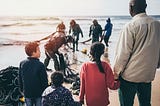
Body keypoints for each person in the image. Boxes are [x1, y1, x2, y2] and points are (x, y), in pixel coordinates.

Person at [113, 0, 160, 106]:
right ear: (146, 6)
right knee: (145, 103)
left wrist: (116, 73)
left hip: (130, 76)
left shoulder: (130, 26)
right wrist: (156, 65)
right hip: (148, 74)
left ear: (131, 7)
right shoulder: (157, 25)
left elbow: (123, 54)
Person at [19, 42, 48, 106]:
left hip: (27, 93)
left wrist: (21, 90)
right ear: (33, 52)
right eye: (39, 50)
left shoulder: (22, 63)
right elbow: (44, 81)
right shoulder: (40, 65)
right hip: (38, 94)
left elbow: (20, 78)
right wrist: (45, 92)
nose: (40, 52)